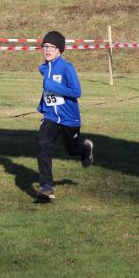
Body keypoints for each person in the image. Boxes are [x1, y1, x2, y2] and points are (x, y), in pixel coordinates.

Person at [36, 31, 93, 200]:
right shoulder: (44, 68)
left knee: (72, 150)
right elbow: (49, 92)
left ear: (59, 49)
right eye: (45, 46)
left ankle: (85, 151)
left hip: (69, 118)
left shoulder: (67, 67)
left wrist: (51, 85)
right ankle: (47, 186)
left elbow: (76, 91)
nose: (47, 50)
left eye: (51, 47)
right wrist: (43, 106)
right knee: (42, 143)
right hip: (51, 117)